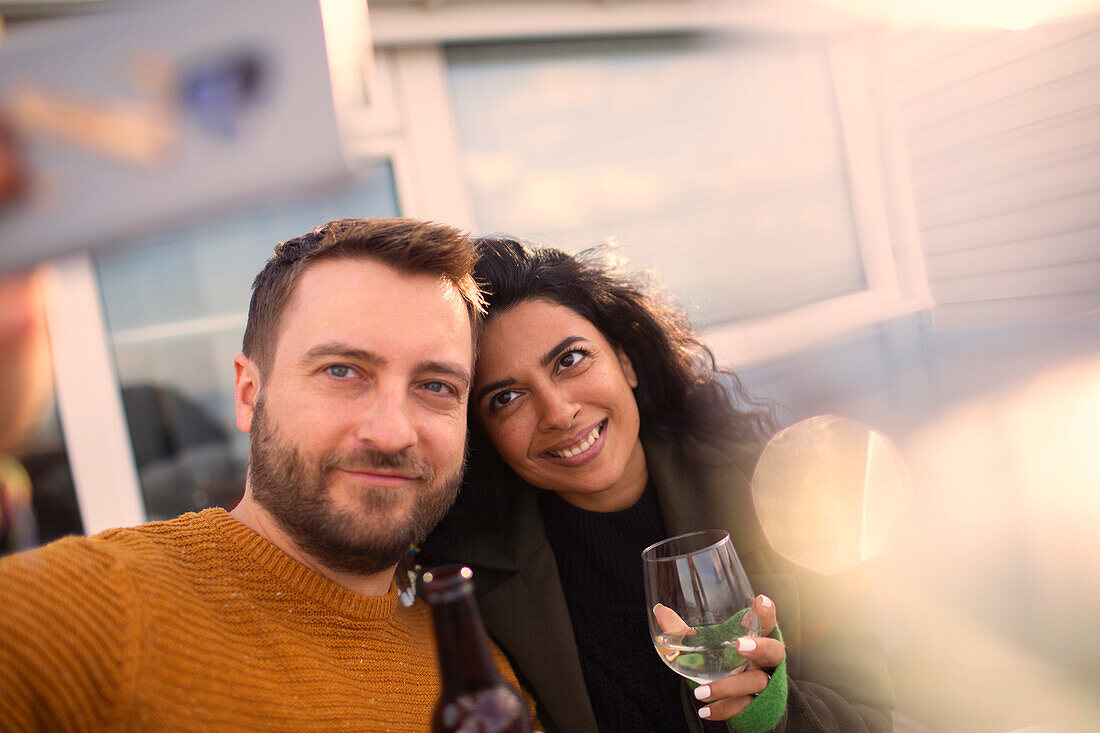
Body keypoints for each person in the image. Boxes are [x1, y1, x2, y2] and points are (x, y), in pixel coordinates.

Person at [0, 218, 535, 731]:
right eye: (343, 371)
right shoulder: (96, 612)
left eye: (436, 386)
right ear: (248, 395)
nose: (392, 432)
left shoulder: (484, 673)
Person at [422, 236, 897, 733]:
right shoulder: (471, 584)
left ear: (625, 361)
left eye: (570, 360)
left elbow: (871, 717)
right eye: (507, 397)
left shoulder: (784, 499)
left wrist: (772, 715)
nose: (559, 413)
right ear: (480, 434)